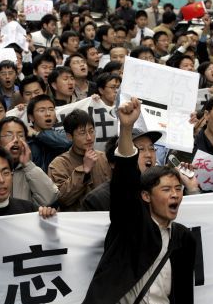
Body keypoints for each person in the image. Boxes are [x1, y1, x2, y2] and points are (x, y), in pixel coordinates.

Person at [83, 97, 196, 303]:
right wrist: (126, 128)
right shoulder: (130, 222)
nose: (175, 195)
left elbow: (184, 294)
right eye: (166, 189)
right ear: (145, 195)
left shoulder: (183, 238)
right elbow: (126, 182)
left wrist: (193, 188)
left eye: (178, 189)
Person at [48, 109, 111, 211]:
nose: (89, 137)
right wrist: (83, 171)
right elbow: (62, 199)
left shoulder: (104, 158)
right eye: (82, 133)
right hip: (76, 223)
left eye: (91, 131)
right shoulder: (58, 164)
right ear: (69, 136)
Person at [0, 116, 59, 206]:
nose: (16, 140)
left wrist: (28, 165)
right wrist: (3, 163)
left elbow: (50, 198)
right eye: (9, 135)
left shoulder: (30, 169)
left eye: (20, 135)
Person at [27, 94, 72, 172]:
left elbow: (67, 141)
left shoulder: (61, 134)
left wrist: (37, 134)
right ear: (31, 117)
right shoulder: (26, 141)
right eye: (42, 110)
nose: (48, 114)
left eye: (51, 109)